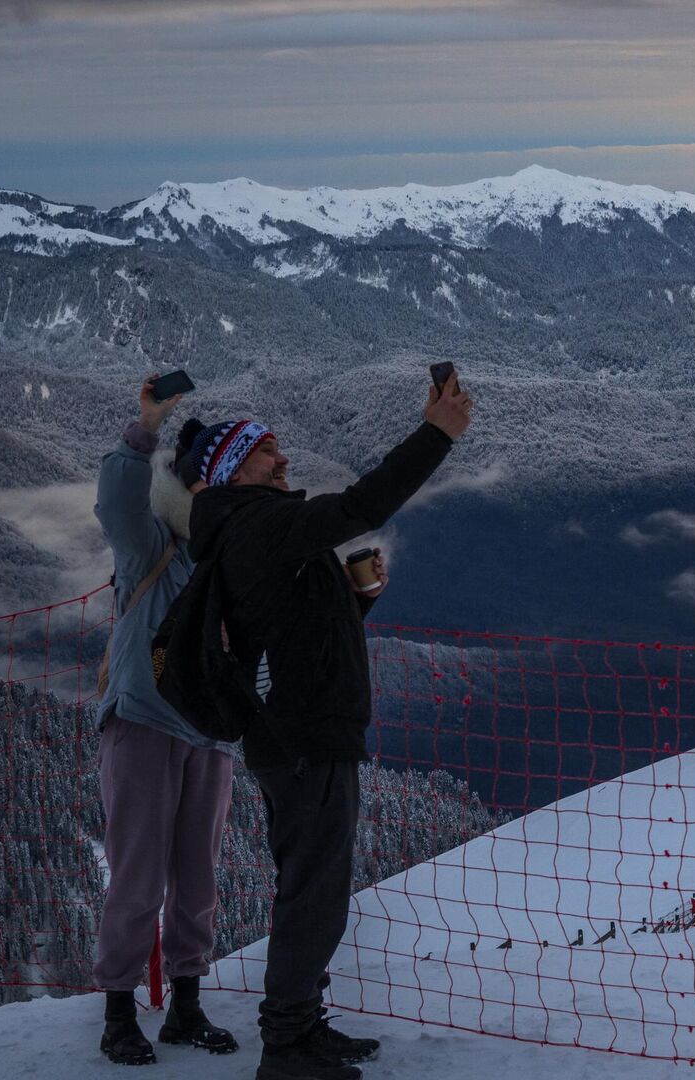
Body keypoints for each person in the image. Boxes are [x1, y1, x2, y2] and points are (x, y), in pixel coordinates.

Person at [183, 372, 474, 1080]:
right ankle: (285, 1048)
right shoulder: (259, 523)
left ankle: (302, 1028)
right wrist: (438, 433)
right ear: (234, 469)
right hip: (305, 739)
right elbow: (362, 503)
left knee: (308, 890)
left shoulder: (247, 531)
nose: (283, 460)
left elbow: (297, 634)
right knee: (315, 895)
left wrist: (354, 595)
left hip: (297, 736)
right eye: (268, 452)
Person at [93, 376, 239, 1065]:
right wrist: (144, 429)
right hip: (147, 720)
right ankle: (119, 1009)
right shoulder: (155, 548)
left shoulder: (228, 560)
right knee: (139, 875)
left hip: (209, 731)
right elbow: (117, 503)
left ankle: (185, 1005)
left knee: (197, 876)